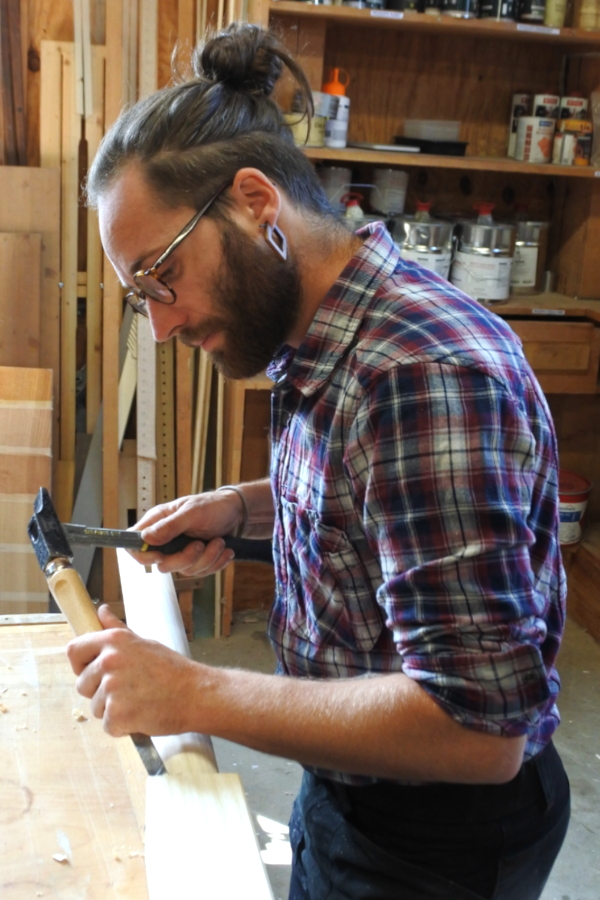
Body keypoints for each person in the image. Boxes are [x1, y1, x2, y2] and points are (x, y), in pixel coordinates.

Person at [67, 23, 570, 900]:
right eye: (139, 295)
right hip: (352, 786)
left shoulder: (420, 374)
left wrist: (191, 694)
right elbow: (381, 486)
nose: (163, 324)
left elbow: (476, 732)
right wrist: (245, 506)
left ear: (255, 202)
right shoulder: (328, 328)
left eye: (163, 275)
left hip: (432, 838)